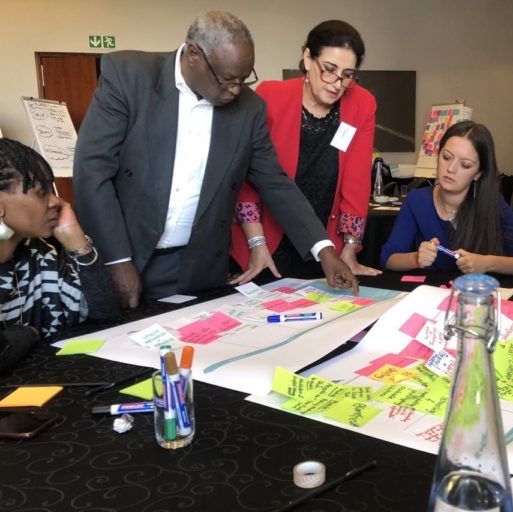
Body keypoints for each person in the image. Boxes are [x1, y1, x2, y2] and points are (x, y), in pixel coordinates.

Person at [73, 10, 357, 309]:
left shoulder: (250, 109)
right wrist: (117, 259)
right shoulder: (130, 76)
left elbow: (275, 182)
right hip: (127, 255)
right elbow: (92, 171)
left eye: (243, 79)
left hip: (200, 268)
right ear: (194, 55)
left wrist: (324, 250)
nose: (236, 90)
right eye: (227, 79)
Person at [230, 20, 380, 282]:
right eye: (329, 70)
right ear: (308, 57)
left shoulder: (362, 104)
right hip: (266, 239)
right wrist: (256, 242)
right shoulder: (270, 96)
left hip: (325, 245)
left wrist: (349, 247)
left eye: (347, 74)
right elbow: (249, 179)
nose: (337, 83)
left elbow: (356, 183)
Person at [0, 139, 118, 371]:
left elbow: (105, 312)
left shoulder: (42, 251)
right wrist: (29, 334)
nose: (56, 201)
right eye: (42, 192)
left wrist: (77, 242)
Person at [380, 121, 513, 275]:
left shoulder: (493, 203)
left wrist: (487, 263)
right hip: (430, 296)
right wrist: (415, 259)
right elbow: (387, 259)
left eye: (465, 165)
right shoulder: (417, 201)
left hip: (476, 296)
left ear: (478, 173)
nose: (450, 169)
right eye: (446, 157)